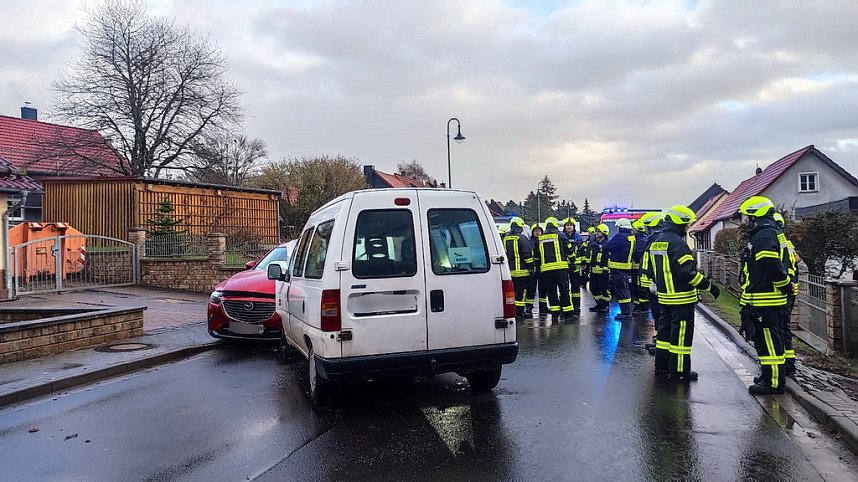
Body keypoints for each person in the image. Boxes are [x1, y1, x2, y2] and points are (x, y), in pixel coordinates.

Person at [644, 205, 719, 381]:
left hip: (664, 298)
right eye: (687, 225)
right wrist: (709, 286)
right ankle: (680, 371)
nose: (687, 228)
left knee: (664, 335)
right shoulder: (678, 244)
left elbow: (652, 270)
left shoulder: (657, 241)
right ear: (680, 223)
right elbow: (688, 274)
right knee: (681, 338)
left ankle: (661, 367)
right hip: (681, 298)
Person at [739, 197, 792, 394]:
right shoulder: (769, 233)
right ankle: (767, 376)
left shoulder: (764, 236)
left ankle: (774, 383)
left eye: (747, 217)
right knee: (764, 343)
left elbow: (771, 266)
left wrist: (784, 285)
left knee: (770, 344)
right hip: (764, 298)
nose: (745, 221)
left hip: (767, 300)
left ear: (755, 216)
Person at [534, 217, 576, 322]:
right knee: (564, 291)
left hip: (546, 270)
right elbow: (570, 251)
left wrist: (539, 268)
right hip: (561, 269)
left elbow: (536, 256)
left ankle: (555, 314)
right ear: (556, 225)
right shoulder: (561, 236)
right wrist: (572, 263)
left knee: (551, 292)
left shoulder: (540, 238)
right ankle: (568, 314)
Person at [773, 212, 799, 376]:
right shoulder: (786, 243)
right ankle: (788, 363)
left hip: (785, 289)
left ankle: (785, 364)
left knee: (780, 327)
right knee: (784, 327)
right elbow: (797, 259)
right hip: (790, 289)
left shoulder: (776, 243)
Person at [605, 218, 636, 320]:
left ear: (621, 228)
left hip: (618, 266)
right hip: (626, 266)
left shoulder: (620, 237)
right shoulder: (631, 237)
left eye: (618, 227)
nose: (617, 229)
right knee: (624, 288)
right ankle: (626, 312)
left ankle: (626, 313)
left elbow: (608, 246)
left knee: (622, 289)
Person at [503, 217, 533, 321]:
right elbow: (527, 254)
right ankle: (520, 312)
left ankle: (514, 311)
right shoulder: (522, 238)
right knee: (522, 292)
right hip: (522, 271)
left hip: (510, 271)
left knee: (513, 292)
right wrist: (531, 267)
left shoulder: (506, 238)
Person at [588, 223, 612, 313]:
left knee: (604, 288)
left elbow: (608, 256)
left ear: (604, 233)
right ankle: (599, 304)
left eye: (599, 232)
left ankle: (605, 305)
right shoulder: (594, 243)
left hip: (604, 270)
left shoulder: (608, 244)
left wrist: (607, 269)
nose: (597, 233)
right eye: (597, 231)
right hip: (594, 270)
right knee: (593, 288)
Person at [561, 218, 583, 315]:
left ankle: (576, 305)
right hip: (564, 265)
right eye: (567, 225)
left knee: (575, 286)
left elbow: (582, 250)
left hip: (576, 265)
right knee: (564, 286)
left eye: (571, 225)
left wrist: (583, 263)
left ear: (573, 227)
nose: (569, 227)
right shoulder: (561, 236)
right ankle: (564, 305)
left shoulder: (578, 237)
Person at [631, 218, 650, 314]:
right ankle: (638, 306)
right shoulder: (642, 238)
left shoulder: (641, 240)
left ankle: (643, 307)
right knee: (637, 287)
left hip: (639, 268)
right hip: (638, 267)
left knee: (640, 288)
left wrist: (631, 256)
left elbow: (638, 253)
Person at [526, 223, 544, 318]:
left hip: (542, 267)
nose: (537, 233)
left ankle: (543, 307)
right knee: (531, 288)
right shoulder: (529, 242)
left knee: (543, 288)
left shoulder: (544, 241)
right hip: (533, 267)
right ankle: (529, 307)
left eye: (539, 231)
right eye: (536, 231)